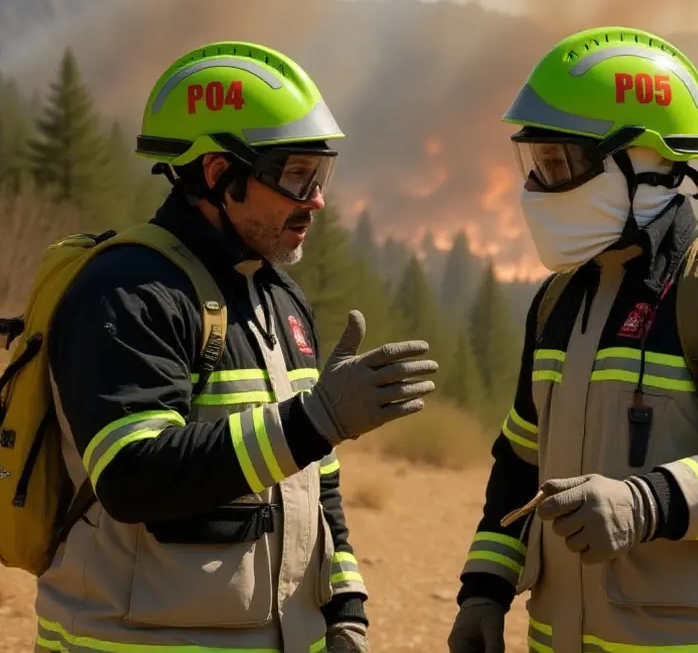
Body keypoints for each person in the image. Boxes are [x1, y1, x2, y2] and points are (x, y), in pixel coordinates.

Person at [33, 41, 440, 653]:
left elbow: (315, 475)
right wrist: (316, 418)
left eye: (320, 174)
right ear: (218, 173)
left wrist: (344, 609)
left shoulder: (279, 295)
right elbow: (131, 477)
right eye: (295, 175)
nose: (316, 199)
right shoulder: (128, 291)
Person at [446, 26, 698, 653]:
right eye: (534, 164)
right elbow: (520, 461)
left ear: (641, 165)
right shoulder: (559, 299)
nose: (535, 187)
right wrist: (485, 590)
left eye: (558, 164)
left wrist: (644, 503)